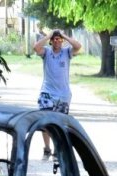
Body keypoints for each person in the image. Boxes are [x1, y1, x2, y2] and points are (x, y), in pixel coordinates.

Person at [33, 29, 82, 157]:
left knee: (59, 124)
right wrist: (49, 35)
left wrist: (64, 36)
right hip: (47, 92)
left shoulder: (67, 52)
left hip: (63, 95)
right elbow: (36, 47)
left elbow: (78, 46)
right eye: (55, 39)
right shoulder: (47, 52)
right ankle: (47, 147)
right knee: (45, 120)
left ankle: (57, 149)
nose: (57, 41)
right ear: (51, 41)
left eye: (59, 39)